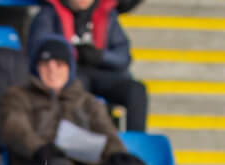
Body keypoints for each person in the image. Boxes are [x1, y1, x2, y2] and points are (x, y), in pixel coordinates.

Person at [0, 35, 156, 165]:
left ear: (69, 68)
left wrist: (117, 153)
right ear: (36, 67)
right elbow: (14, 127)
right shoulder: (19, 96)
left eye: (59, 64)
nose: (52, 69)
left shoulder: (85, 100)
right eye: (46, 64)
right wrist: (40, 148)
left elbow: (107, 132)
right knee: (56, 163)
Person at [28, 0, 148, 131]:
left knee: (136, 90)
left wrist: (100, 56)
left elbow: (123, 56)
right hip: (70, 75)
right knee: (76, 91)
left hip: (102, 73)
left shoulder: (106, 13)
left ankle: (137, 143)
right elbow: (40, 49)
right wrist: (71, 54)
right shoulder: (49, 13)